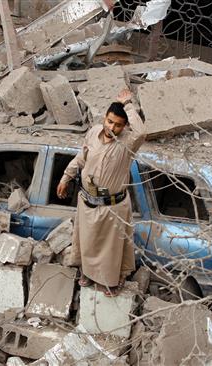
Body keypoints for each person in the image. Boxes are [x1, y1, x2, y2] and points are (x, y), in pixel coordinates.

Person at [56, 88, 146, 296]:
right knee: (88, 244)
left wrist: (128, 104)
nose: (111, 127)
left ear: (124, 127)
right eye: (109, 121)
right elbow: (81, 157)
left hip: (112, 206)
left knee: (110, 251)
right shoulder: (93, 133)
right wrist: (66, 177)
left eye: (117, 125)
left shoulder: (128, 143)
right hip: (87, 201)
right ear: (105, 118)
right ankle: (87, 273)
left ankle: (113, 282)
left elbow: (142, 132)